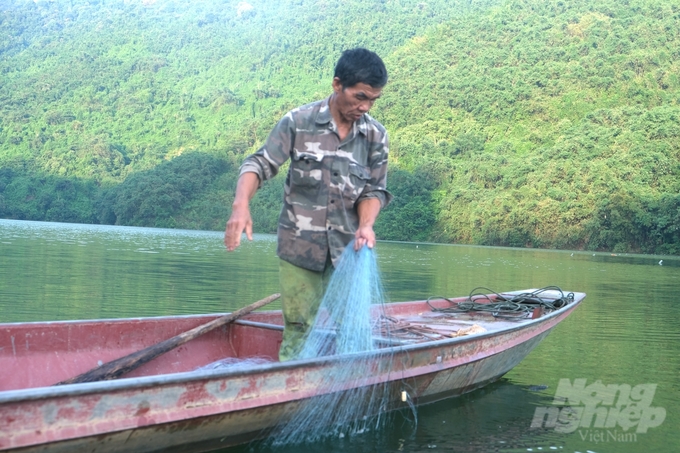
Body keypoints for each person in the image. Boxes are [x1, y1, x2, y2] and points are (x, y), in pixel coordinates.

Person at [224, 48, 392, 361]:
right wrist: (240, 205)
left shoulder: (375, 136)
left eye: (373, 100)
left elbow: (374, 190)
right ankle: (290, 393)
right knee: (300, 328)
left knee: (354, 330)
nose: (365, 106)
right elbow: (259, 163)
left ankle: (345, 392)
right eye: (359, 96)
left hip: (349, 252)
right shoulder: (298, 122)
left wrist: (366, 225)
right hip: (299, 249)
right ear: (337, 84)